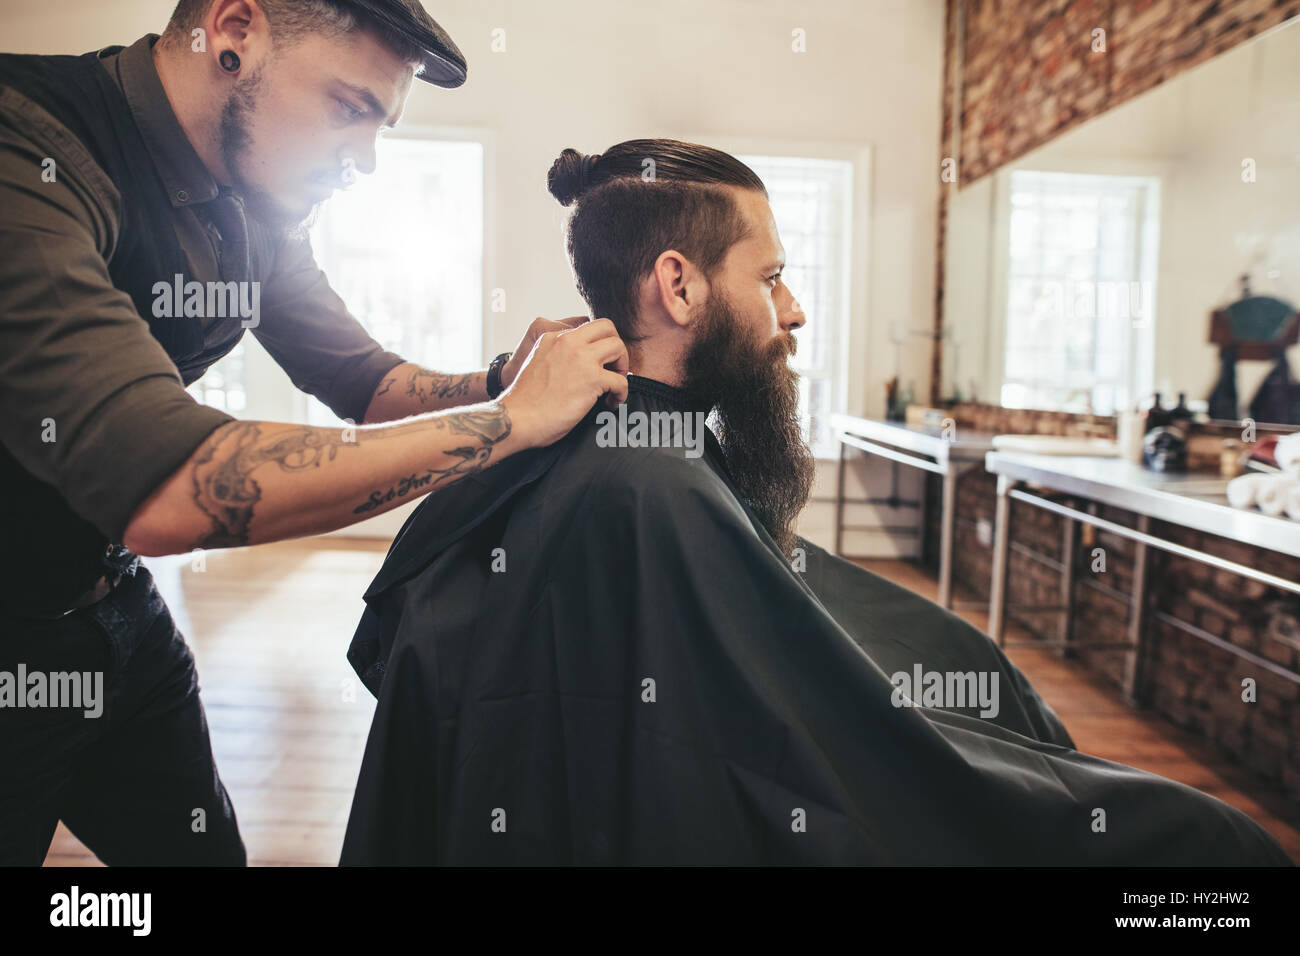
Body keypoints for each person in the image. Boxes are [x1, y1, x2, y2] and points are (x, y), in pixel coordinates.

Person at [340, 139, 1291, 865]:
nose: (792, 309)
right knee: (1214, 856)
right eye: (770, 277)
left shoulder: (618, 457)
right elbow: (796, 762)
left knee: (974, 671)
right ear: (679, 284)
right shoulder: (644, 486)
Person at [0, 0, 628, 866]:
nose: (365, 158)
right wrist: (509, 421)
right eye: (349, 107)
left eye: (382, 123)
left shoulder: (253, 201)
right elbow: (166, 487)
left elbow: (368, 383)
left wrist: (501, 380)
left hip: (109, 608)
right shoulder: (28, 151)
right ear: (233, 31)